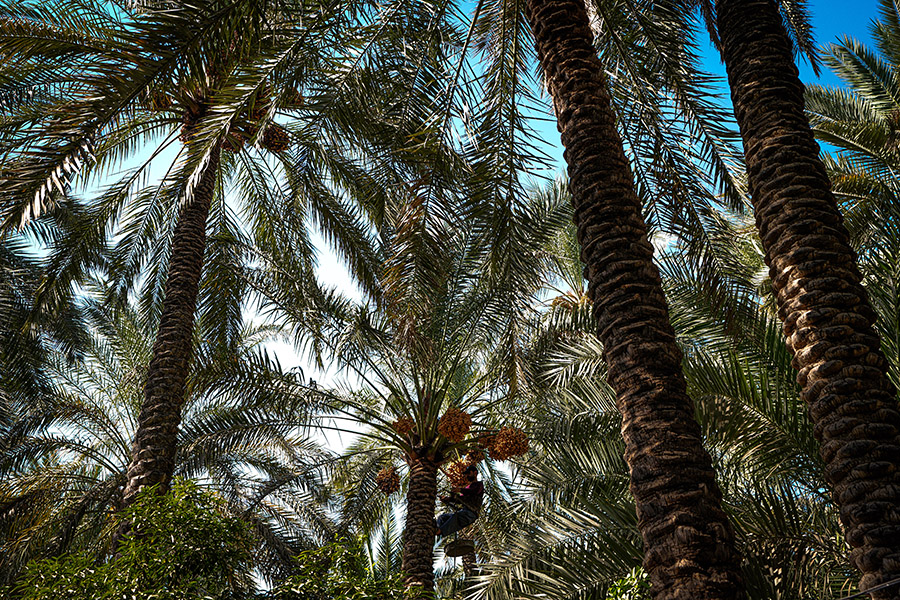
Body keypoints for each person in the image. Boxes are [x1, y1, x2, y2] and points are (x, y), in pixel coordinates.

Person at [435, 465, 483, 538]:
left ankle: (440, 531)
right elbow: (460, 499)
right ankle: (437, 531)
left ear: (475, 473)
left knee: (456, 517)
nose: (467, 476)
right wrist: (447, 499)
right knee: (442, 517)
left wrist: (460, 490)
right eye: (466, 474)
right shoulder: (467, 488)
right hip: (464, 512)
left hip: (471, 514)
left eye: (469, 473)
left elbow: (473, 491)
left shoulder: (479, 485)